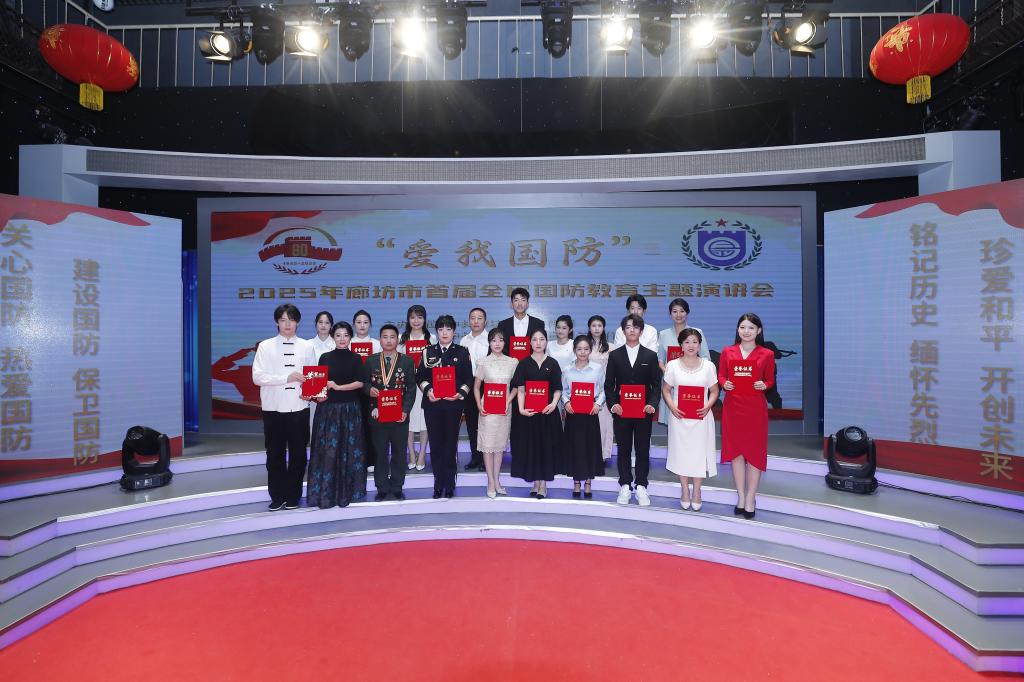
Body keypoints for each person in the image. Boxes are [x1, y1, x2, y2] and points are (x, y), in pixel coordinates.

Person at [252, 304, 317, 511]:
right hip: (273, 409)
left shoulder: (307, 347)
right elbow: (257, 377)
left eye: (291, 320)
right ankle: (277, 496)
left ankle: (293, 496)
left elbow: (313, 377)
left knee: (299, 455)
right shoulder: (265, 346)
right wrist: (286, 378)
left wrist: (311, 392)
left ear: (298, 322)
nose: (287, 324)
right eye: (283, 320)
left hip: (299, 408)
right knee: (274, 455)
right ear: (276, 322)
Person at [718, 313, 776, 520]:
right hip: (733, 407)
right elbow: (721, 375)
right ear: (737, 330)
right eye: (742, 327)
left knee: (754, 454)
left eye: (751, 328)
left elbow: (770, 380)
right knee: (736, 453)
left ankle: (751, 498)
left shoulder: (767, 354)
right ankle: (741, 497)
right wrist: (724, 383)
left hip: (755, 409)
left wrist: (764, 385)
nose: (746, 331)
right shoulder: (728, 351)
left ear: (758, 330)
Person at [306, 321, 367, 508]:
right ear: (333, 337)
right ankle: (326, 494)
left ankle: (347, 493)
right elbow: (318, 383)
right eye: (338, 335)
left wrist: (339, 387)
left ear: (350, 337)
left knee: (349, 451)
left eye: (346, 335)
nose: (342, 339)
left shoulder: (356, 358)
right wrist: (314, 393)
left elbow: (360, 383)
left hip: (350, 410)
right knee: (328, 452)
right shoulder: (324, 357)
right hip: (328, 410)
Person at [605, 314, 662, 506]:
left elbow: (656, 385)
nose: (632, 330)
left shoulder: (650, 355)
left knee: (642, 448)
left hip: (643, 411)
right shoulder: (615, 355)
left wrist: (652, 404)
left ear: (641, 331)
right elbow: (609, 385)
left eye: (636, 327)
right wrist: (613, 404)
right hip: (621, 411)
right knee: (623, 448)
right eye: (628, 327)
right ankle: (625, 484)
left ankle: (641, 485)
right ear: (623, 331)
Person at [662, 328, 719, 510]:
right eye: (687, 342)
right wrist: (672, 407)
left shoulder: (708, 366)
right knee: (682, 454)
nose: (691, 345)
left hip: (701, 417)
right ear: (681, 345)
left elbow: (714, 391)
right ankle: (685, 490)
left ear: (700, 345)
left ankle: (697, 491)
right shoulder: (672, 365)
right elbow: (666, 390)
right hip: (679, 417)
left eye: (695, 342)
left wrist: (708, 406)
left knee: (698, 454)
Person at [417, 315, 474, 498]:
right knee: (435, 445)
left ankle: (449, 484)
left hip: (453, 405)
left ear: (454, 332)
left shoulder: (462, 352)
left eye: (448, 329)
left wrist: (460, 393)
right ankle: (438, 483)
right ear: (436, 332)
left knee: (450, 445)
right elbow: (420, 377)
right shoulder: (428, 352)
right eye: (441, 329)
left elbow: (468, 378)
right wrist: (428, 390)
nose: (444, 333)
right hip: (432, 404)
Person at [363, 324, 417, 500]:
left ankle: (397, 486)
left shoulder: (407, 361)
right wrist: (369, 390)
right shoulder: (371, 361)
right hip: (377, 415)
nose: (388, 340)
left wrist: (405, 410)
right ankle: (381, 487)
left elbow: (411, 389)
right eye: (385, 337)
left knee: (399, 453)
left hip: (399, 416)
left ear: (397, 339)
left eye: (392, 337)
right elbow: (364, 383)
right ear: (380, 339)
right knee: (380, 453)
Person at [510, 329, 563, 498]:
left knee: (545, 447)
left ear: (546, 341)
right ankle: (535, 482)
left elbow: (557, 388)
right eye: (534, 339)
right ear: (530, 342)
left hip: (548, 413)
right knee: (532, 447)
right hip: (529, 414)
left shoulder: (553, 363)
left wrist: (554, 404)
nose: (538, 343)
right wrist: (521, 409)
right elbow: (521, 389)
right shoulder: (523, 363)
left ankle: (543, 485)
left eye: (542, 339)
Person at [472, 328, 519, 498]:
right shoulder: (483, 362)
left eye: (500, 340)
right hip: (487, 409)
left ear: (505, 342)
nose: (497, 344)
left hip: (504, 408)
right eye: (493, 340)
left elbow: (516, 386)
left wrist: (508, 400)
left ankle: (497, 480)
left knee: (499, 447)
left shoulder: (512, 362)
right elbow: (476, 387)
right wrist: (479, 405)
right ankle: (490, 481)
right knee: (488, 446)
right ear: (489, 343)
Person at [561, 335, 605, 499]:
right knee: (575, 448)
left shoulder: (597, 368)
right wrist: (566, 402)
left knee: (589, 447)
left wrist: (598, 404)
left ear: (590, 350)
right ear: (574, 350)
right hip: (573, 414)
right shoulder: (567, 369)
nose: (582, 352)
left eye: (586, 349)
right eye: (579, 349)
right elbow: (563, 390)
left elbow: (604, 389)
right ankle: (576, 483)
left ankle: (587, 482)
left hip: (590, 413)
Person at [657, 298, 710, 424]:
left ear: (687, 313)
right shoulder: (663, 334)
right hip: (671, 383)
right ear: (670, 313)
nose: (678, 315)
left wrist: (693, 370)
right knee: (673, 419)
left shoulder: (697, 332)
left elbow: (706, 357)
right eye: (675, 311)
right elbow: (660, 359)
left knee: (692, 416)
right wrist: (667, 371)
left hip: (693, 381)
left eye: (682, 311)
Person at [399, 304, 431, 470]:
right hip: (407, 387)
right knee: (408, 422)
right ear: (408, 319)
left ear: (424, 319)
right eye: (412, 317)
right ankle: (411, 453)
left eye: (419, 317)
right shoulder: (401, 339)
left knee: (425, 421)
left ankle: (422, 454)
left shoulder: (431, 338)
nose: (416, 321)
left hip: (425, 387)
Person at [459, 307, 489, 473]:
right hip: (469, 386)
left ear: (485, 321)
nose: (476, 321)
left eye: (479, 318)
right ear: (468, 321)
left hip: (487, 385)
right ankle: (475, 457)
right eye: (473, 318)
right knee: (472, 424)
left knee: (486, 424)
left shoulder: (491, 340)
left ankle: (486, 458)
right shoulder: (464, 341)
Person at [587, 315, 614, 461]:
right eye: (593, 325)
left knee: (604, 424)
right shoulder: (584, 345)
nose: (596, 328)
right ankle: (588, 454)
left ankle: (602, 455)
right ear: (589, 328)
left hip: (604, 389)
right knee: (588, 424)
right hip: (586, 389)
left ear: (603, 328)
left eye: (599, 325)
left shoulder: (611, 347)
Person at [307, 310, 336, 431]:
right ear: (316, 324)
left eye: (327, 323)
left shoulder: (337, 344)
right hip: (314, 393)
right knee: (314, 427)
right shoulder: (307, 345)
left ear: (331, 326)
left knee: (332, 429)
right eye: (320, 322)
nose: (323, 325)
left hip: (334, 392)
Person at [496, 287, 545, 356]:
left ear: (527, 304)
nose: (519, 303)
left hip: (532, 362)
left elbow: (541, 347)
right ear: (511, 304)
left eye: (523, 300)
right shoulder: (503, 325)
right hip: (509, 362)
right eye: (516, 300)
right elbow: (500, 347)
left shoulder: (538, 324)